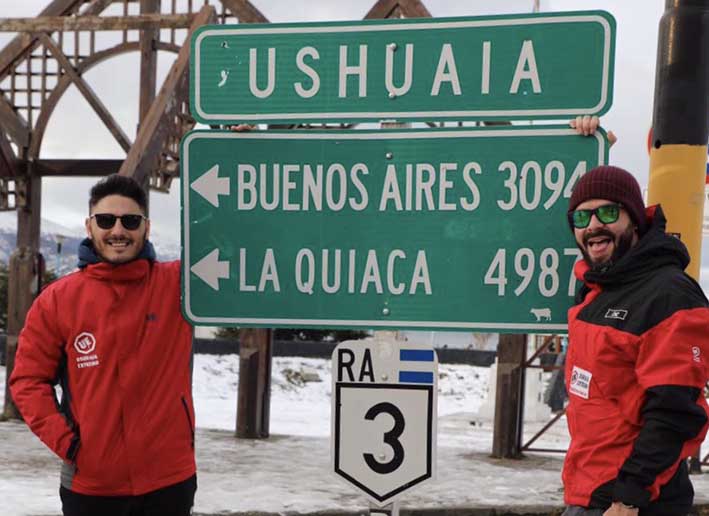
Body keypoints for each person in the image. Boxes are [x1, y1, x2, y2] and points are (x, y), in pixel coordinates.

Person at [9, 174, 196, 516]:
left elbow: (228, 243)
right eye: (106, 220)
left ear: (147, 227)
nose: (118, 231)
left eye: (131, 220)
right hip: (91, 484)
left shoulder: (179, 286)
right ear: (89, 225)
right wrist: (69, 443)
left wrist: (230, 147)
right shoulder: (58, 301)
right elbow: (27, 381)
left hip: (169, 480)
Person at [562, 121, 709, 516]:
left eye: (608, 212)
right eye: (582, 217)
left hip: (633, 504)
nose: (593, 225)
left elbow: (676, 411)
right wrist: (588, 140)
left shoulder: (667, 294)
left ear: (634, 219)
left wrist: (629, 497)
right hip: (588, 494)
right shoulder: (600, 288)